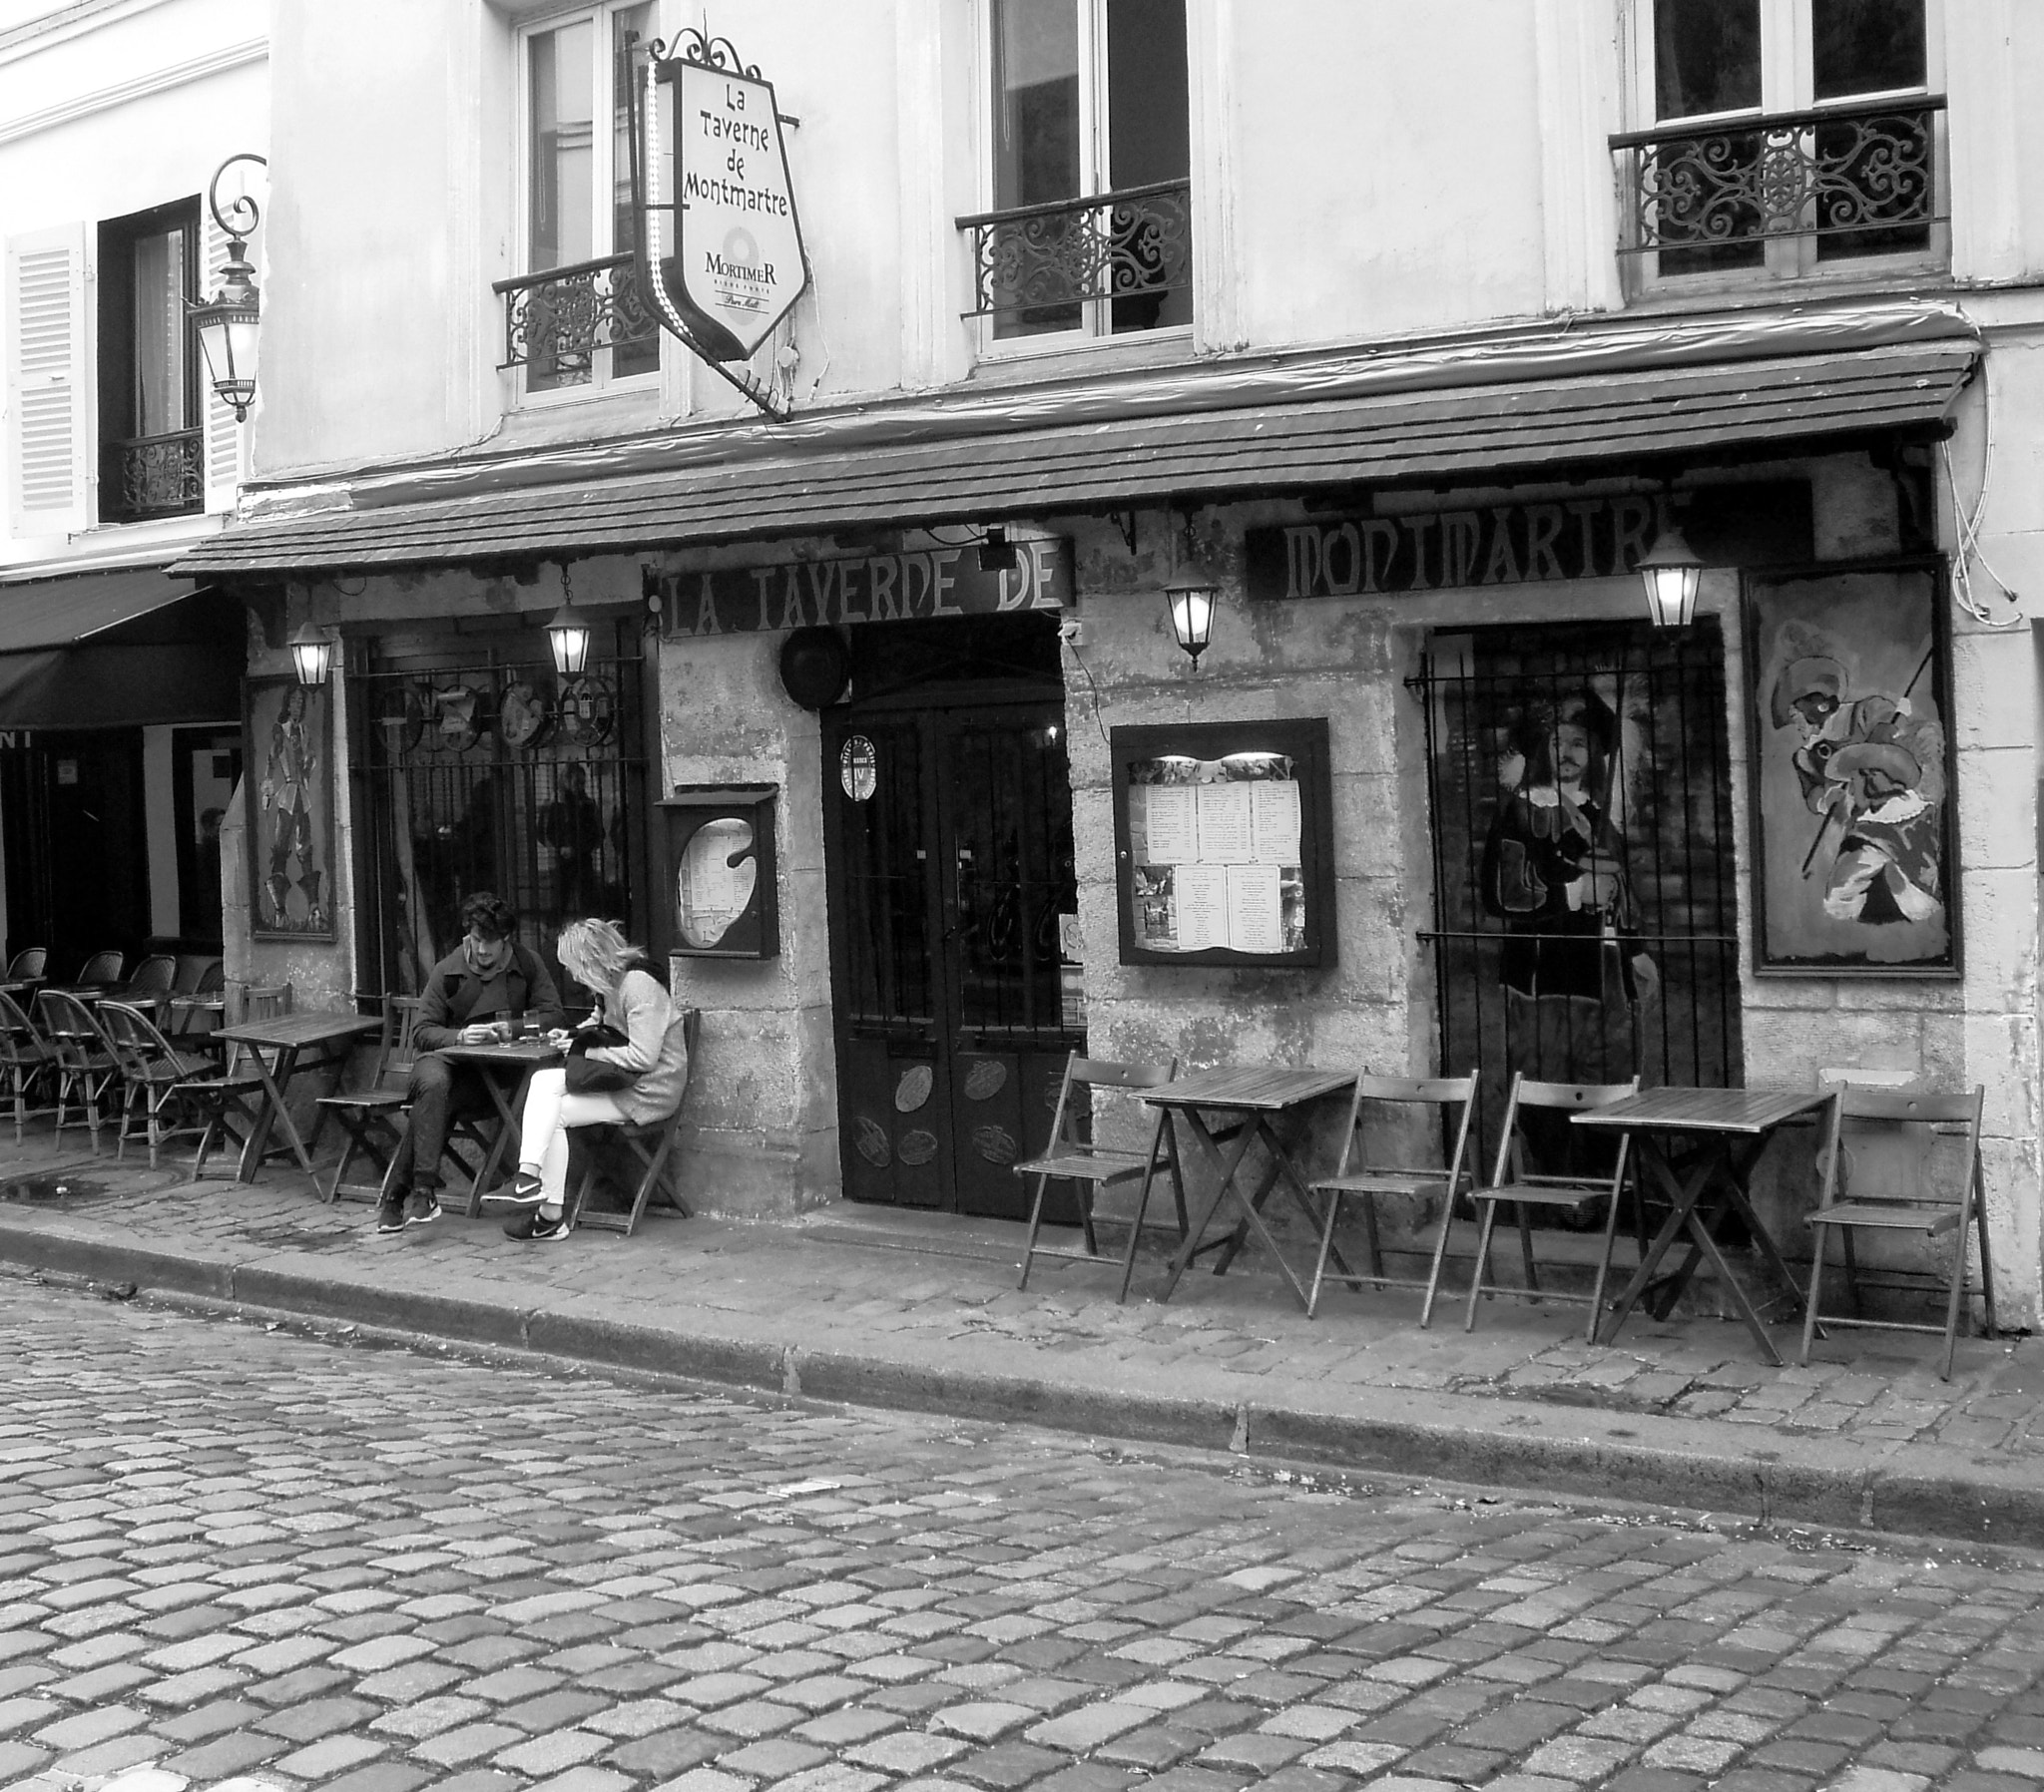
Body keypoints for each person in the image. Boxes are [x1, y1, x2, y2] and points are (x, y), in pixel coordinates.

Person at [1481, 693, 1656, 1092]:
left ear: (1594, 752)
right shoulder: (1521, 812)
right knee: (1546, 1088)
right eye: (1558, 743)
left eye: (1579, 743)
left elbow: (1620, 889)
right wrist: (1574, 893)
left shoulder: (1599, 817)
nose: (1568, 753)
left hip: (1607, 975)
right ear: (1543, 750)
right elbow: (1502, 893)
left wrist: (1636, 948)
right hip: (1545, 976)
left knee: (1612, 1088)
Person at [488, 917, 691, 1243]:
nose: (571, 975)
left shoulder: (638, 986)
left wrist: (588, 1053)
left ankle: (535, 1192)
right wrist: (572, 1034)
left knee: (545, 1089)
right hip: (622, 1081)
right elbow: (601, 1023)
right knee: (549, 1102)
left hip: (648, 1091)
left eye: (572, 966)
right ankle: (543, 1205)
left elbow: (644, 1057)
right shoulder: (610, 986)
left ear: (590, 960)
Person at [375, 891, 565, 1236]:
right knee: (434, 1087)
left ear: (506, 940)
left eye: (491, 943)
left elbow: (555, 1014)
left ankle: (400, 1197)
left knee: (433, 1105)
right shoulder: (448, 970)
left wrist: (513, 1028)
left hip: (490, 1075)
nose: (482, 950)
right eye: (477, 940)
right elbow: (423, 1032)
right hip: (443, 1062)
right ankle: (421, 1190)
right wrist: (460, 1036)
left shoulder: (528, 963)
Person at [536, 763, 605, 921]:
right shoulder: (553, 804)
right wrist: (559, 848)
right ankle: (554, 932)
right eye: (576, 782)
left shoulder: (587, 804)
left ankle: (589, 931)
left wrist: (579, 848)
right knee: (559, 899)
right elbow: (544, 832)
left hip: (583, 858)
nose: (579, 787)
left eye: (581, 783)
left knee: (588, 900)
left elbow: (597, 833)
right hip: (560, 859)